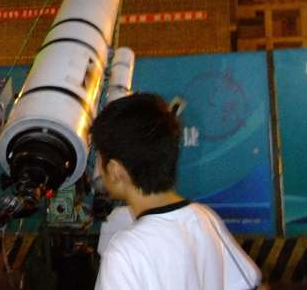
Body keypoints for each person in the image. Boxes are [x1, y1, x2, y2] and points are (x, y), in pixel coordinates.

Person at [92, 93, 261, 290]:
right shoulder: (205, 218)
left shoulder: (124, 253)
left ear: (115, 171)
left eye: (100, 158)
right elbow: (247, 283)